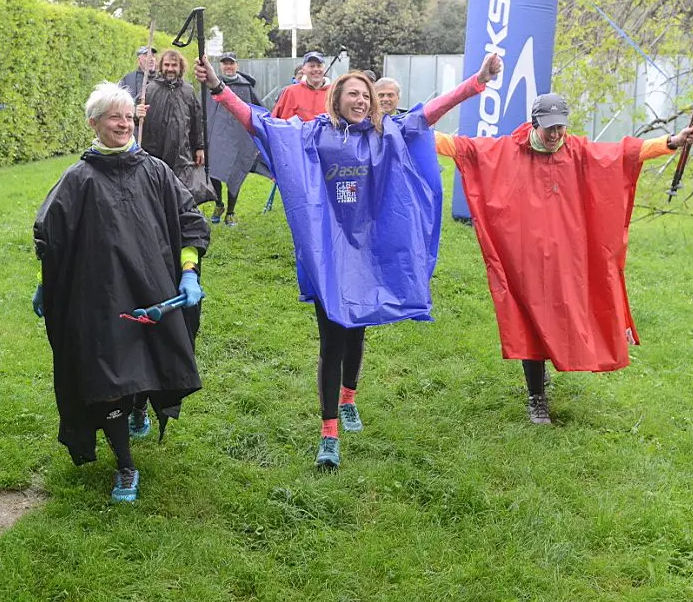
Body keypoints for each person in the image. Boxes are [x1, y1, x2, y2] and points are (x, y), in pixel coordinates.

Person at [197, 52, 503, 470]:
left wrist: (478, 81)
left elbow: (431, 111)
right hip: (329, 251)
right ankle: (328, 433)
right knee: (332, 338)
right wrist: (218, 86)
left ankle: (349, 399)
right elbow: (260, 123)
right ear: (337, 98)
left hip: (369, 252)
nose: (361, 100)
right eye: (353, 94)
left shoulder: (387, 134)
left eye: (366, 95)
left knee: (357, 331)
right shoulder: (313, 135)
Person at [434, 91, 693, 425]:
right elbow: (463, 149)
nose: (556, 134)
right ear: (534, 123)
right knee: (529, 320)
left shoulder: (578, 151)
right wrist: (416, 131)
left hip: (568, 259)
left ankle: (546, 368)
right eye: (549, 128)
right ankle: (536, 397)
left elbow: (625, 153)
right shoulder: (509, 151)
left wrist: (672, 141)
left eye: (560, 127)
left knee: (562, 313)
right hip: (525, 260)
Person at [32, 81, 209, 503]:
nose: (124, 124)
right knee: (108, 373)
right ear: (94, 123)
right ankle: (125, 464)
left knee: (149, 361)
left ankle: (138, 407)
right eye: (115, 117)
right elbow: (52, 238)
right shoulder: (78, 180)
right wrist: (46, 284)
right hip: (101, 297)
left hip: (154, 290)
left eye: (129, 117)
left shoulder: (157, 172)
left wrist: (189, 274)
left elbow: (189, 223)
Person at [135, 48, 213, 206]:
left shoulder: (188, 91)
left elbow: (197, 121)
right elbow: (133, 115)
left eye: (174, 65)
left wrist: (199, 147)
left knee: (181, 195)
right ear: (161, 67)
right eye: (167, 65)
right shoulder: (149, 89)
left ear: (180, 67)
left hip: (180, 153)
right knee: (155, 193)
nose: (170, 69)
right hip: (154, 152)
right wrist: (136, 112)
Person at [204, 52, 263, 226]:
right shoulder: (212, 85)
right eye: (225, 64)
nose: (228, 67)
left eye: (231, 64)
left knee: (235, 174)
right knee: (213, 172)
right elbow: (205, 110)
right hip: (217, 137)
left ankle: (230, 211)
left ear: (237, 65)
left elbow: (258, 110)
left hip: (239, 138)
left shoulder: (246, 87)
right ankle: (218, 204)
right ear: (221, 66)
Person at [271, 51, 329, 121]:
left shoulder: (334, 94)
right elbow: (274, 121)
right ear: (304, 70)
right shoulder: (290, 92)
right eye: (312, 66)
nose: (316, 69)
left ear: (324, 69)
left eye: (319, 66)